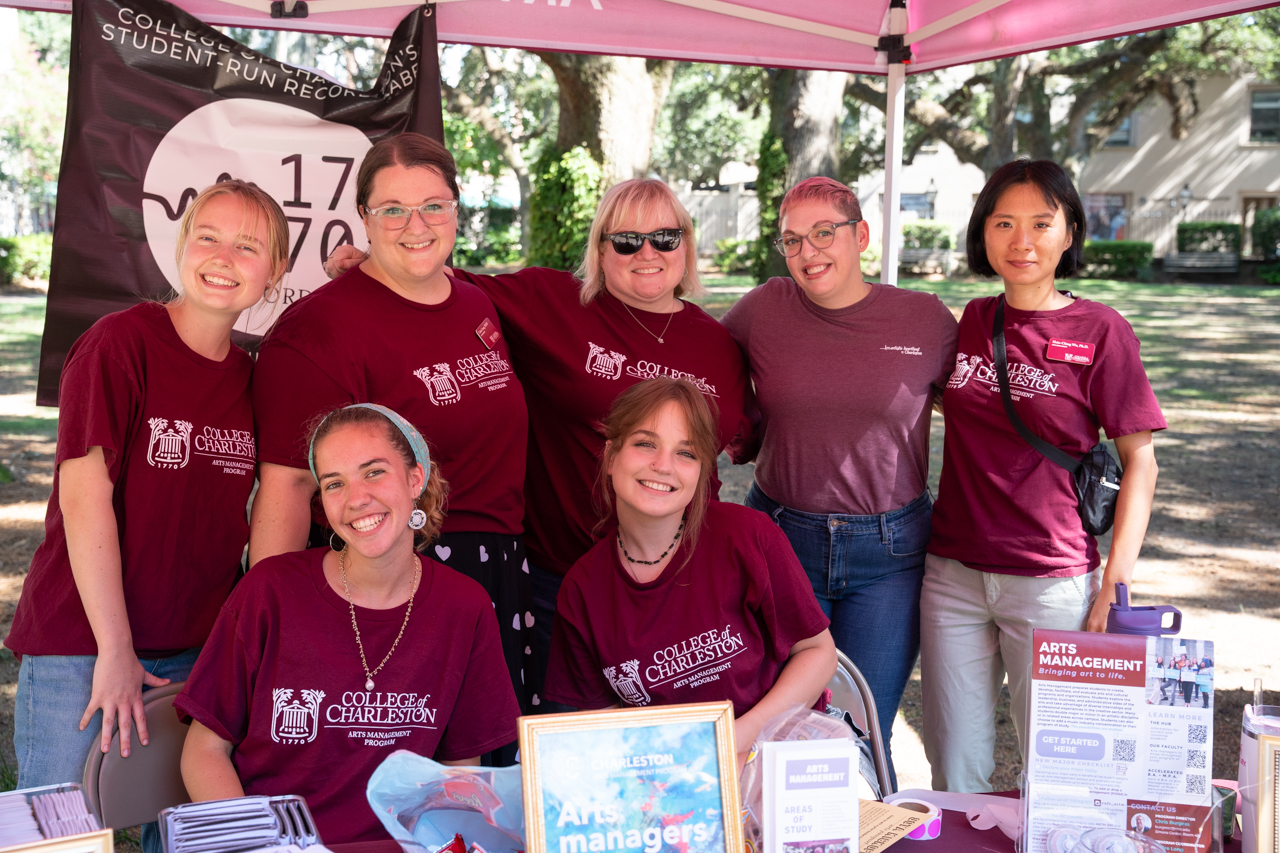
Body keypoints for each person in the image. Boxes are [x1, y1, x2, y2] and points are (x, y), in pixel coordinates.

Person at [326, 177, 750, 711]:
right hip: (564, 575)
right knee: (564, 741)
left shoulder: (719, 345)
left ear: (686, 245)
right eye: (626, 240)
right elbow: (438, 278)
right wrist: (372, 262)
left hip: (681, 581)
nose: (647, 252)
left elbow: (731, 447)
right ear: (600, 248)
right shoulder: (551, 302)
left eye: (666, 238)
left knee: (680, 743)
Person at [6, 181, 287, 791]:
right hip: (83, 644)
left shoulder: (254, 379)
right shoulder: (119, 345)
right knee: (61, 833)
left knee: (181, 829)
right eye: (208, 237)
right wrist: (114, 649)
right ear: (182, 244)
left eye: (248, 246)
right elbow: (84, 502)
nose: (223, 258)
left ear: (276, 271)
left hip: (193, 649)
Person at [249, 134, 535, 730]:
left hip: (498, 575)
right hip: (389, 585)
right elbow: (288, 487)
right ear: (363, 217)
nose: (416, 224)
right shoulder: (317, 332)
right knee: (391, 780)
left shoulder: (477, 306)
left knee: (481, 789)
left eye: (434, 205)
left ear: (457, 210)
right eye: (393, 210)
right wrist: (268, 627)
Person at [921, 159, 1164, 792]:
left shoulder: (1101, 331)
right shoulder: (971, 321)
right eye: (1004, 223)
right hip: (952, 576)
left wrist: (1116, 580)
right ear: (984, 233)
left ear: (1070, 231)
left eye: (1040, 223)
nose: (1021, 241)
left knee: (1061, 774)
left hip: (1053, 582)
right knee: (954, 767)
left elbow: (1141, 459)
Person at [177, 404, 518, 844]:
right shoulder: (270, 590)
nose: (356, 498)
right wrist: (260, 845)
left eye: (374, 472)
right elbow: (203, 752)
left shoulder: (464, 606)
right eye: (335, 483)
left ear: (416, 478)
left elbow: (459, 772)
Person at [721, 176, 957, 786]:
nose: (809, 252)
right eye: (792, 240)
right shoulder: (764, 309)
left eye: (824, 232)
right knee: (775, 727)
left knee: (861, 726)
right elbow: (705, 374)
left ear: (861, 236)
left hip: (889, 552)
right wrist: (742, 431)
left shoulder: (924, 319)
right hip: (781, 540)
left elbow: (981, 412)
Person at [543, 378, 835, 767]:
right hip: (672, 783)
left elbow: (818, 652)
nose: (662, 465)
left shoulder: (747, 537)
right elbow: (596, 721)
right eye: (645, 443)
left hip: (780, 757)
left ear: (701, 472)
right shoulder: (582, 588)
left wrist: (734, 743)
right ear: (612, 456)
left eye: (686, 453)